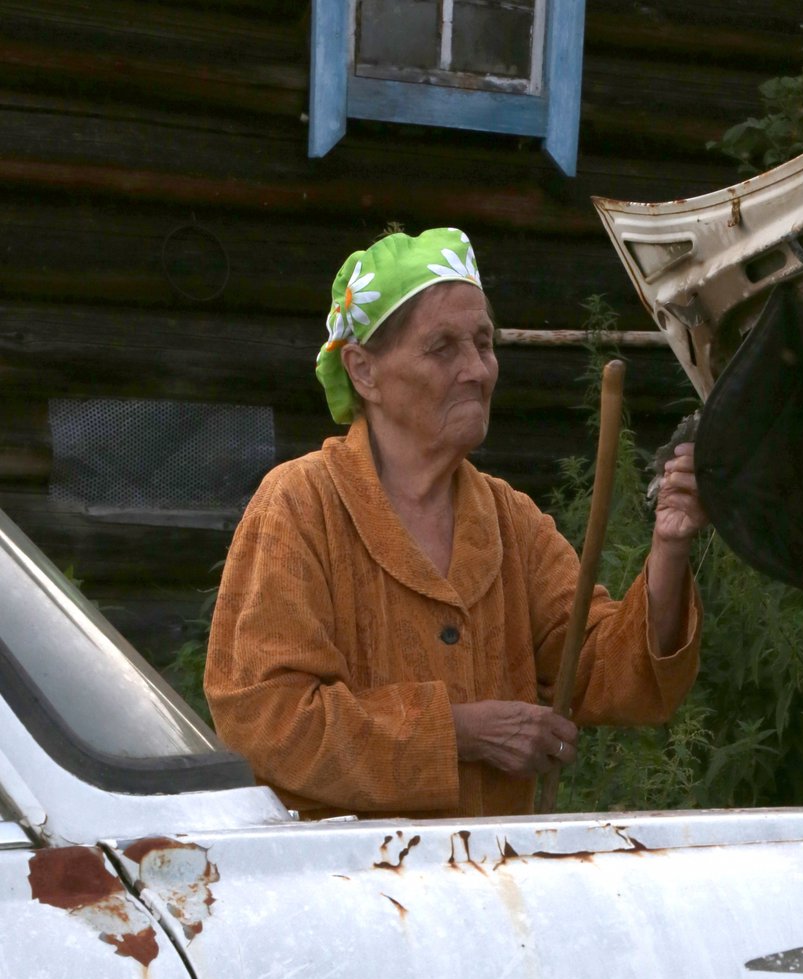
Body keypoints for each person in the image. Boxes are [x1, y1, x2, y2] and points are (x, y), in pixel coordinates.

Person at [204, 226, 707, 820]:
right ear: (363, 372)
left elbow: (604, 672)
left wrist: (670, 546)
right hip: (353, 872)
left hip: (493, 873)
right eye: (442, 348)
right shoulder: (300, 505)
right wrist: (459, 732)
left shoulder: (510, 521)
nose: (477, 370)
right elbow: (267, 721)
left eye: (484, 343)